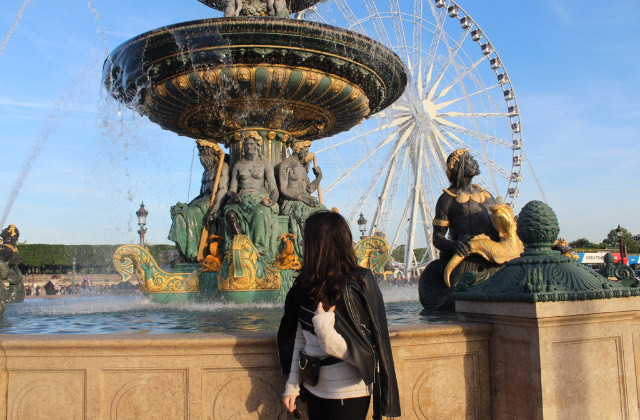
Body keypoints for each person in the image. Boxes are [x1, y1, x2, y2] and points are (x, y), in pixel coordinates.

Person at [277, 211, 400, 420]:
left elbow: (369, 353)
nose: (302, 243)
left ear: (320, 243)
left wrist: (324, 329)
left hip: (348, 392)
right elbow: (299, 339)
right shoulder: (304, 285)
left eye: (307, 237)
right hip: (314, 388)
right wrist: (292, 385)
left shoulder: (358, 282)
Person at [419, 148, 501, 311]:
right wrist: (455, 246)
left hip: (495, 254)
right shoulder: (447, 199)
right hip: (468, 259)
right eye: (470, 159)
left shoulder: (485, 194)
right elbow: (437, 239)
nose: (474, 162)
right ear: (460, 166)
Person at [168, 140, 229, 262]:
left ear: (210, 153)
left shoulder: (223, 166)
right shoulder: (206, 171)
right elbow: (202, 193)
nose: (200, 156)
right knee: (178, 213)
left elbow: (222, 190)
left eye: (202, 152)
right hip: (202, 201)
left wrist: (214, 208)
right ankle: (184, 254)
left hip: (216, 202)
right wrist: (189, 204)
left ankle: (193, 253)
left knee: (186, 215)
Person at [224, 131, 279, 261]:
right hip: (241, 199)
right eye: (247, 145)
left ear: (257, 146)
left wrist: (272, 202)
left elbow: (274, 189)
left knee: (261, 212)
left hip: (260, 198)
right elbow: (231, 188)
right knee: (230, 214)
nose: (249, 148)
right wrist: (233, 194)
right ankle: (243, 248)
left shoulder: (265, 163)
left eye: (252, 145)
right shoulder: (238, 165)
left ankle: (260, 251)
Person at [278, 139, 326, 257]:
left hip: (306, 199)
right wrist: (301, 198)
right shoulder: (286, 165)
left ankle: (323, 248)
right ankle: (308, 251)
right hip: (291, 201)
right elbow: (283, 189)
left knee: (325, 214)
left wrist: (319, 177)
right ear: (297, 150)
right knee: (310, 216)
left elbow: (309, 189)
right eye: (305, 150)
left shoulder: (302, 167)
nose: (306, 153)